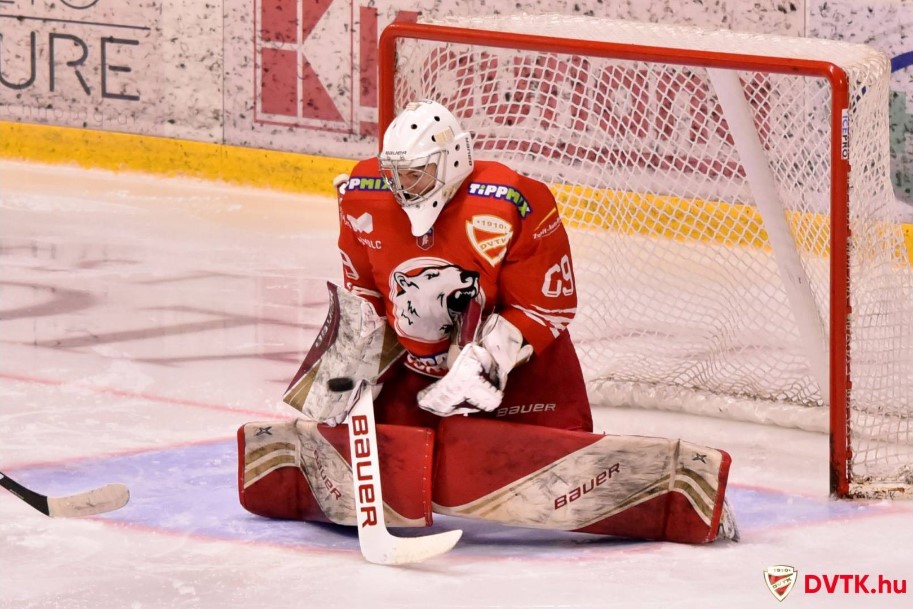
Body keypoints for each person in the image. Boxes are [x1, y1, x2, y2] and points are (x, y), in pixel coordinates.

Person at [236, 100, 738, 545]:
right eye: (395, 174)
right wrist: (352, 363)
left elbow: (545, 308)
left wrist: (489, 360)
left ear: (453, 160)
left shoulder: (513, 201)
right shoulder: (363, 195)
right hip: (413, 370)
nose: (400, 187)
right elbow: (366, 292)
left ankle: (665, 490)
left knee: (559, 460)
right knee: (384, 447)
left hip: (524, 372)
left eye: (415, 174)